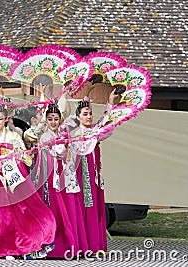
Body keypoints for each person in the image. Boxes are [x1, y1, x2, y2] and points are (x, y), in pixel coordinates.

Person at [0, 105, 56, 260]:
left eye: (0, 118)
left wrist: (11, 158)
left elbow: (24, 157)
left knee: (10, 213)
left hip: (9, 176)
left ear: (6, 119)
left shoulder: (14, 137)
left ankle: (10, 248)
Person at [68, 91, 119, 254]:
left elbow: (108, 124)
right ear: (78, 117)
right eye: (85, 114)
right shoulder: (73, 134)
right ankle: (81, 244)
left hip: (93, 176)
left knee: (93, 207)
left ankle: (94, 245)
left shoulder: (95, 131)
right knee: (80, 208)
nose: (89, 116)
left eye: (90, 113)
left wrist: (110, 102)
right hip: (79, 177)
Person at [36, 104, 88, 258]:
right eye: (50, 119)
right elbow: (41, 159)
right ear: (46, 120)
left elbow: (72, 154)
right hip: (52, 178)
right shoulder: (44, 137)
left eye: (56, 119)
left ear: (60, 120)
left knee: (70, 208)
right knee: (55, 210)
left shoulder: (66, 134)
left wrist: (65, 152)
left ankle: (72, 246)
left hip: (66, 174)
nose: (53, 122)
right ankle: (54, 246)